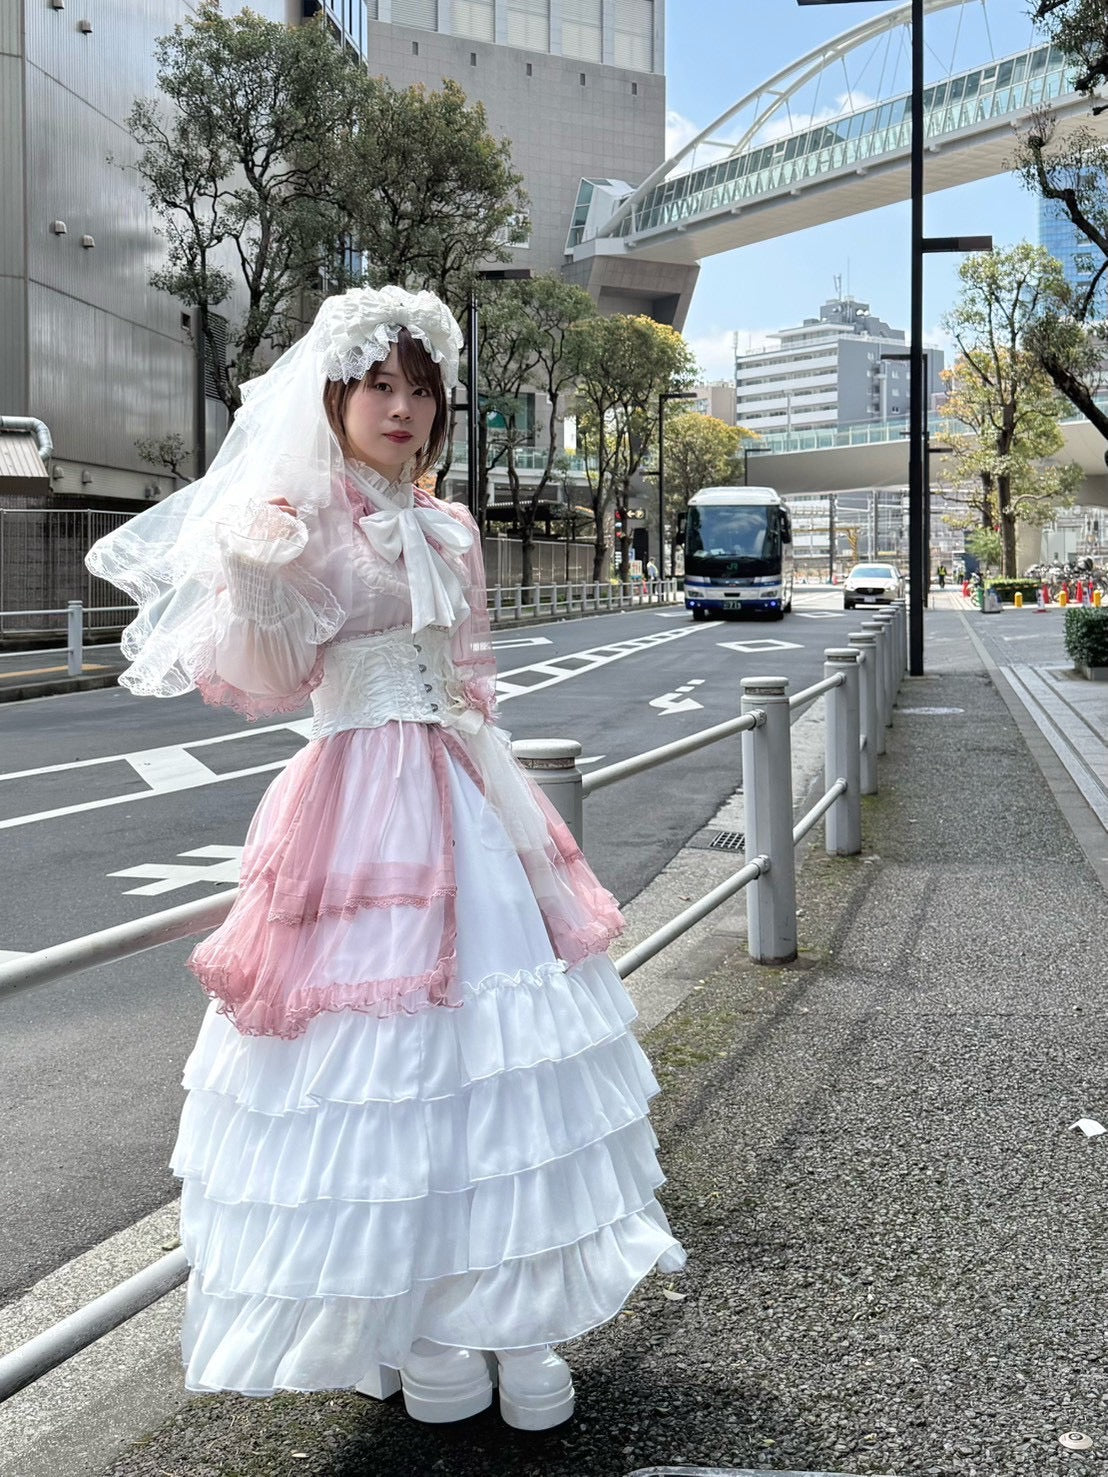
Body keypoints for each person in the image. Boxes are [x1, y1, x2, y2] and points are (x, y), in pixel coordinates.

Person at [86, 285, 684, 1431]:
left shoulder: (450, 523)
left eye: (420, 389)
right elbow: (266, 678)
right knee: (384, 1066)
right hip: (354, 798)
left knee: (500, 1057)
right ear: (337, 396)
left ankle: (522, 1320)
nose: (402, 407)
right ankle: (426, 1325)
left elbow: (470, 676)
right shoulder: (290, 513)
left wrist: (498, 789)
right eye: (381, 385)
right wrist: (256, 573)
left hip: (466, 788)